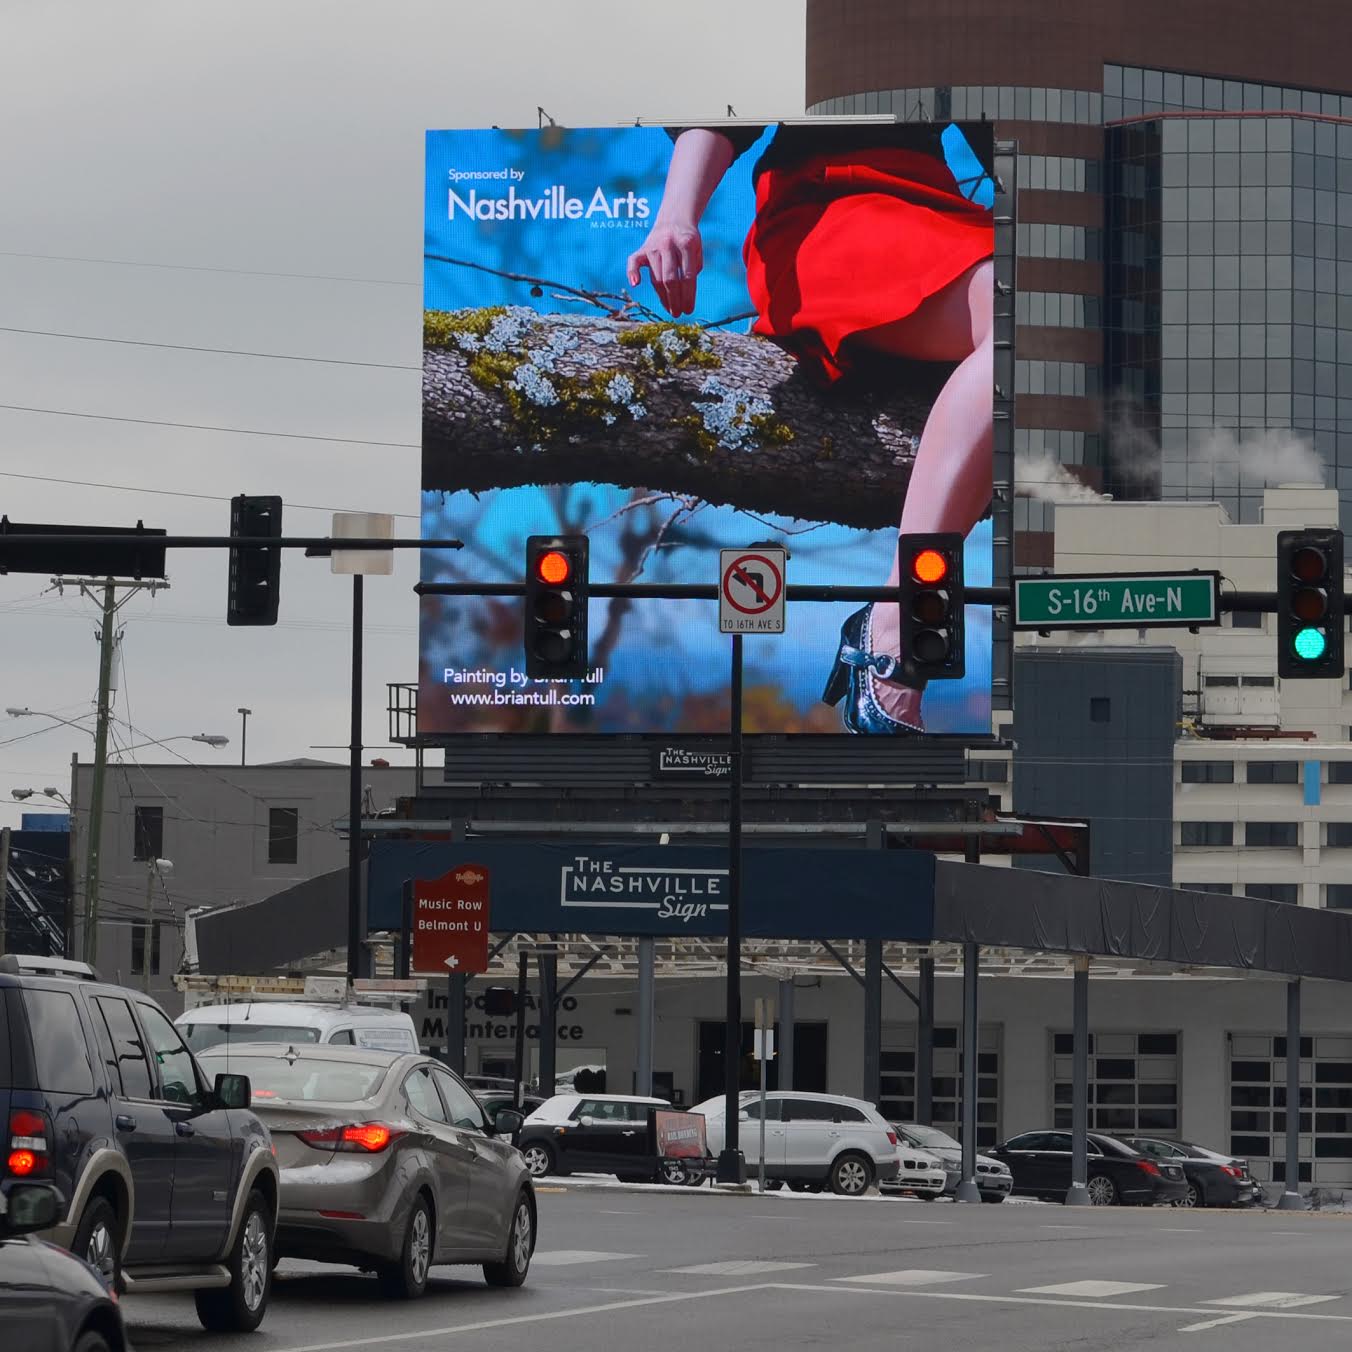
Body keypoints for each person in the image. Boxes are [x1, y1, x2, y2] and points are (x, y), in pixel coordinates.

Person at [627, 124, 994, 734]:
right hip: (827, 212)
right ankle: (900, 621)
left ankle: (895, 624)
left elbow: (1022, 145)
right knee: (1017, 314)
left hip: (941, 212)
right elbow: (721, 112)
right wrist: (675, 218)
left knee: (1037, 309)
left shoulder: (975, 28)